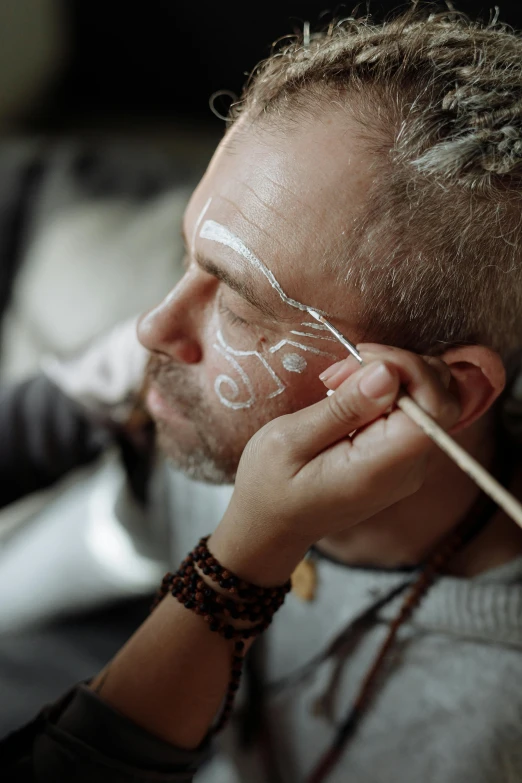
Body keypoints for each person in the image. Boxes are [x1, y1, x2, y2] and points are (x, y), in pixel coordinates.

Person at [4, 6, 522, 782]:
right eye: (188, 256)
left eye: (241, 304)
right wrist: (59, 408)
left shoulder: (480, 725)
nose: (151, 328)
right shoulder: (186, 422)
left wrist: (242, 560)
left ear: (433, 389)